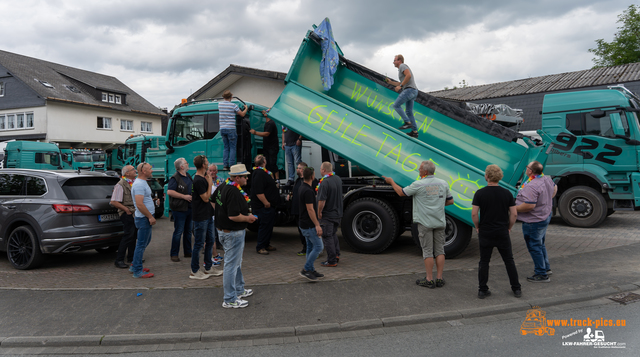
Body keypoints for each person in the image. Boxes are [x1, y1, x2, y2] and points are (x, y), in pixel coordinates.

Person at [384, 160, 453, 288]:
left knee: (427, 251)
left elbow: (401, 192)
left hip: (425, 222)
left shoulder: (419, 184)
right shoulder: (443, 183)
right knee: (440, 250)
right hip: (439, 221)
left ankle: (429, 279)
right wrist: (437, 206)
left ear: (425, 171)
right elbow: (450, 201)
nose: (418, 170)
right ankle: (439, 278)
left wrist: (391, 182)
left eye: (420, 169)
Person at [471, 164, 521, 299]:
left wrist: (477, 227)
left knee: (484, 261)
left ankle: (482, 289)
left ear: (486, 176)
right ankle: (516, 288)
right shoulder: (507, 193)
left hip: (486, 231)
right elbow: (514, 214)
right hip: (502, 231)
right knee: (509, 260)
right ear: (499, 177)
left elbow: (474, 214)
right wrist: (509, 227)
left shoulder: (480, 193)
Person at [213, 164, 257, 308]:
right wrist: (248, 218)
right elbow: (233, 216)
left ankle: (239, 289)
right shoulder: (233, 192)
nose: (247, 178)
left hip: (225, 231)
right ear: (237, 178)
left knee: (235, 262)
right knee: (231, 265)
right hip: (232, 232)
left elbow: (213, 200)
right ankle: (230, 298)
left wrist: (220, 215)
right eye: (244, 176)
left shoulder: (223, 186)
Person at [515, 161, 557, 283]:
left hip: (533, 220)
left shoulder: (532, 186)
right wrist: (547, 200)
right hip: (544, 215)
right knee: (540, 244)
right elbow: (555, 187)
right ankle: (546, 267)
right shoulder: (546, 179)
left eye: (527, 167)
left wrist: (512, 208)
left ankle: (541, 274)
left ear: (530, 171)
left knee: (534, 246)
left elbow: (529, 206)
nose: (526, 168)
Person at [189, 155, 222, 280]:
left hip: (208, 215)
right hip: (200, 217)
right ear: (203, 165)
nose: (208, 163)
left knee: (210, 241)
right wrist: (209, 184)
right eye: (207, 162)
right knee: (198, 244)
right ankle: (194, 270)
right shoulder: (198, 180)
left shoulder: (203, 178)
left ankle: (208, 267)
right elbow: (206, 198)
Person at [298, 167, 324, 281]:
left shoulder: (301, 187)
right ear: (313, 177)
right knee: (319, 246)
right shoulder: (308, 191)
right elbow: (310, 210)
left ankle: (311, 269)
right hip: (309, 224)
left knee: (310, 246)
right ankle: (306, 269)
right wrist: (317, 224)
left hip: (303, 222)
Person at [130, 162, 156, 278]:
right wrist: (150, 216)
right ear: (143, 171)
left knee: (145, 242)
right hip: (143, 218)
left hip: (144, 218)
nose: (152, 170)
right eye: (150, 169)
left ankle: (135, 264)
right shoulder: (139, 184)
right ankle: (137, 271)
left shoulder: (142, 183)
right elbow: (140, 204)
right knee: (141, 244)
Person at [250, 155, 279, 255]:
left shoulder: (264, 173)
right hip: (263, 207)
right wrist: (266, 203)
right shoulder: (259, 174)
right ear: (264, 162)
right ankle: (261, 246)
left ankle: (266, 244)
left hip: (268, 206)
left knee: (268, 226)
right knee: (264, 226)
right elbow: (259, 192)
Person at [384, 54, 419, 138]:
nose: (393, 62)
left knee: (396, 105)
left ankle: (407, 122)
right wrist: (390, 82)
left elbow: (408, 75)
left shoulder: (402, 66)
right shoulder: (400, 70)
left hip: (409, 90)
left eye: (394, 60)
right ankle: (414, 132)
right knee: (409, 112)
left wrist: (400, 86)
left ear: (399, 61)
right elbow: (402, 82)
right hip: (414, 91)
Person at [110, 165, 138, 268]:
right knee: (128, 236)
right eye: (132, 170)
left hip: (134, 213)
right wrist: (126, 210)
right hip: (127, 214)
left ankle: (131, 257)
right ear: (126, 173)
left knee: (133, 236)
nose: (135, 171)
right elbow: (113, 201)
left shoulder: (133, 183)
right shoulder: (120, 185)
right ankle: (119, 260)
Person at [317, 161, 343, 267]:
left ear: (324, 170)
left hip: (328, 214)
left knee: (327, 236)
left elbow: (322, 200)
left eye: (320, 169)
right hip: (338, 213)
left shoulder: (325, 182)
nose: (320, 170)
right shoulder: (338, 179)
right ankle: (336, 254)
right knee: (333, 234)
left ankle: (331, 260)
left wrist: (319, 212)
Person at [167, 158, 193, 262]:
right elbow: (170, 191)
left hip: (189, 208)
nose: (188, 164)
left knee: (188, 231)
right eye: (186, 163)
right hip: (179, 209)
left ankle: (188, 251)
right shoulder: (175, 178)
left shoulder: (188, 176)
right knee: (178, 231)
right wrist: (184, 196)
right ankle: (174, 254)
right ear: (182, 166)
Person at [291, 161, 318, 255]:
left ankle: (314, 250)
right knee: (301, 231)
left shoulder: (313, 182)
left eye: (298, 168)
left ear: (302, 170)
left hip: (307, 211)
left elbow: (315, 195)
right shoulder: (298, 181)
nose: (297, 169)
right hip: (297, 210)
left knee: (310, 231)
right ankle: (305, 248)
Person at [219, 90, 248, 170]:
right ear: (231, 97)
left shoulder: (220, 105)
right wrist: (246, 109)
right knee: (232, 147)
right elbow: (242, 114)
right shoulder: (233, 105)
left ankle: (225, 165)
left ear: (224, 97)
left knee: (226, 147)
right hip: (231, 128)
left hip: (222, 129)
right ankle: (231, 165)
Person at [250, 109, 279, 180]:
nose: (265, 112)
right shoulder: (267, 123)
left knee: (272, 164)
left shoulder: (271, 123)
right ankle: (270, 179)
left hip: (272, 147)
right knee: (267, 165)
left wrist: (255, 133)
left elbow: (267, 134)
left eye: (267, 111)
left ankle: (277, 180)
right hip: (267, 146)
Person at [208, 164, 224, 263]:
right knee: (210, 231)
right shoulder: (206, 181)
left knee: (218, 227)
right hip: (209, 210)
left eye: (214, 170)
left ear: (217, 171)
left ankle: (218, 245)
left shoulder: (221, 180)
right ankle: (211, 253)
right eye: (211, 170)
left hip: (219, 207)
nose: (212, 172)